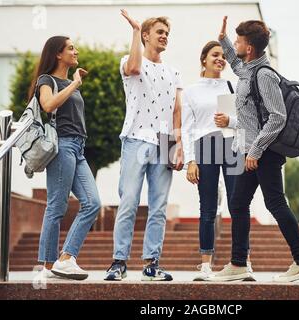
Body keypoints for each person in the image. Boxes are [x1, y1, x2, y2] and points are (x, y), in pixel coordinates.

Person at [211, 17, 299, 282]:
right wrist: (223, 38)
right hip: (250, 150)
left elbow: (277, 117)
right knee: (238, 203)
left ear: (249, 48)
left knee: (276, 203)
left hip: (263, 152)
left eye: (238, 41)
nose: (234, 45)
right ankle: (238, 264)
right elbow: (235, 64)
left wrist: (255, 152)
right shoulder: (248, 69)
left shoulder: (265, 75)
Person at [105, 10, 184, 281]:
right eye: (159, 32)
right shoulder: (130, 60)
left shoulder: (174, 71)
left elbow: (176, 110)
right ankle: (119, 263)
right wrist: (135, 31)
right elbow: (135, 69)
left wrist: (179, 145)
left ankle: (152, 264)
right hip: (136, 138)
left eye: (167, 34)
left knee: (158, 206)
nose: (164, 37)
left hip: (164, 141)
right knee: (128, 201)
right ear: (146, 36)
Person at [30, 36, 101, 280]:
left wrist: (74, 83)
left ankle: (66, 258)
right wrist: (74, 85)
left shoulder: (70, 81)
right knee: (57, 206)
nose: (76, 51)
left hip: (78, 148)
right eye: (71, 48)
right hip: (61, 146)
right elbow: (48, 105)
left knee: (93, 203)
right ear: (57, 54)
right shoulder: (46, 80)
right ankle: (49, 266)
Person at [182, 40, 250, 281]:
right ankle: (205, 265)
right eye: (215, 55)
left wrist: (229, 121)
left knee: (238, 205)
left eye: (223, 55)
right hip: (205, 146)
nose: (220, 59)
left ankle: (243, 262)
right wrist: (190, 161)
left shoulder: (233, 85)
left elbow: (245, 122)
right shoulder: (191, 90)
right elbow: (187, 129)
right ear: (204, 59)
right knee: (208, 207)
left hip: (232, 145)